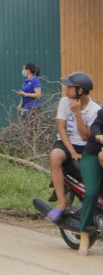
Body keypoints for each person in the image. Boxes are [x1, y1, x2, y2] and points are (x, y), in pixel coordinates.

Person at [46, 72, 101, 224]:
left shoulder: (94, 110)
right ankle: (62, 202)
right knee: (55, 156)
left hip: (85, 145)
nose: (66, 89)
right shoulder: (64, 102)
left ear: (80, 91)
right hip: (66, 143)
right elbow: (61, 128)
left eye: (70, 87)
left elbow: (85, 136)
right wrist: (71, 151)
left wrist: (77, 114)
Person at [78, 107, 103, 255]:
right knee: (92, 191)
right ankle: (84, 234)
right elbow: (95, 126)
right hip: (93, 155)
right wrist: (99, 135)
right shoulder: (101, 113)